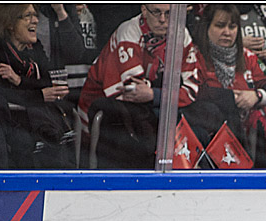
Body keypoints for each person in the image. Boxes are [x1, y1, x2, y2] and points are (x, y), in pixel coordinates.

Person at [77, 4, 202, 169]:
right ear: (144, 10)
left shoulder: (181, 34)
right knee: (145, 127)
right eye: (156, 12)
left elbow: (191, 90)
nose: (163, 20)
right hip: (102, 104)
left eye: (169, 13)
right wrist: (164, 92)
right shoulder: (129, 32)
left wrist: (154, 93)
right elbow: (132, 91)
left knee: (204, 112)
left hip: (151, 104)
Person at [0, 3, 72, 169]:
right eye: (28, 16)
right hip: (6, 128)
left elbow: (47, 84)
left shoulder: (35, 49)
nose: (35, 21)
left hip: (39, 126)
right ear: (10, 23)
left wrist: (19, 81)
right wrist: (38, 96)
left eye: (35, 15)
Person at [192, 4, 266, 167]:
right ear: (206, 27)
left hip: (247, 137)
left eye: (232, 26)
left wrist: (256, 96)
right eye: (220, 25)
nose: (227, 32)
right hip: (211, 136)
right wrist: (231, 98)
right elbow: (191, 94)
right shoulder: (194, 57)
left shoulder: (247, 56)